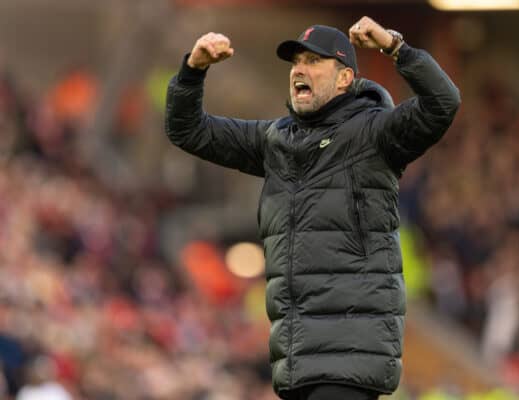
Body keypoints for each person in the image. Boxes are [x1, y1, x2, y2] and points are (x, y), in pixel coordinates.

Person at [165, 16, 460, 400]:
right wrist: (193, 70)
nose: (299, 70)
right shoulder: (275, 142)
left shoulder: (375, 134)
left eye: (314, 61)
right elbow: (187, 129)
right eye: (296, 62)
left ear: (344, 79)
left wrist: (394, 47)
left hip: (350, 356)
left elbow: (442, 103)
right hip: (297, 360)